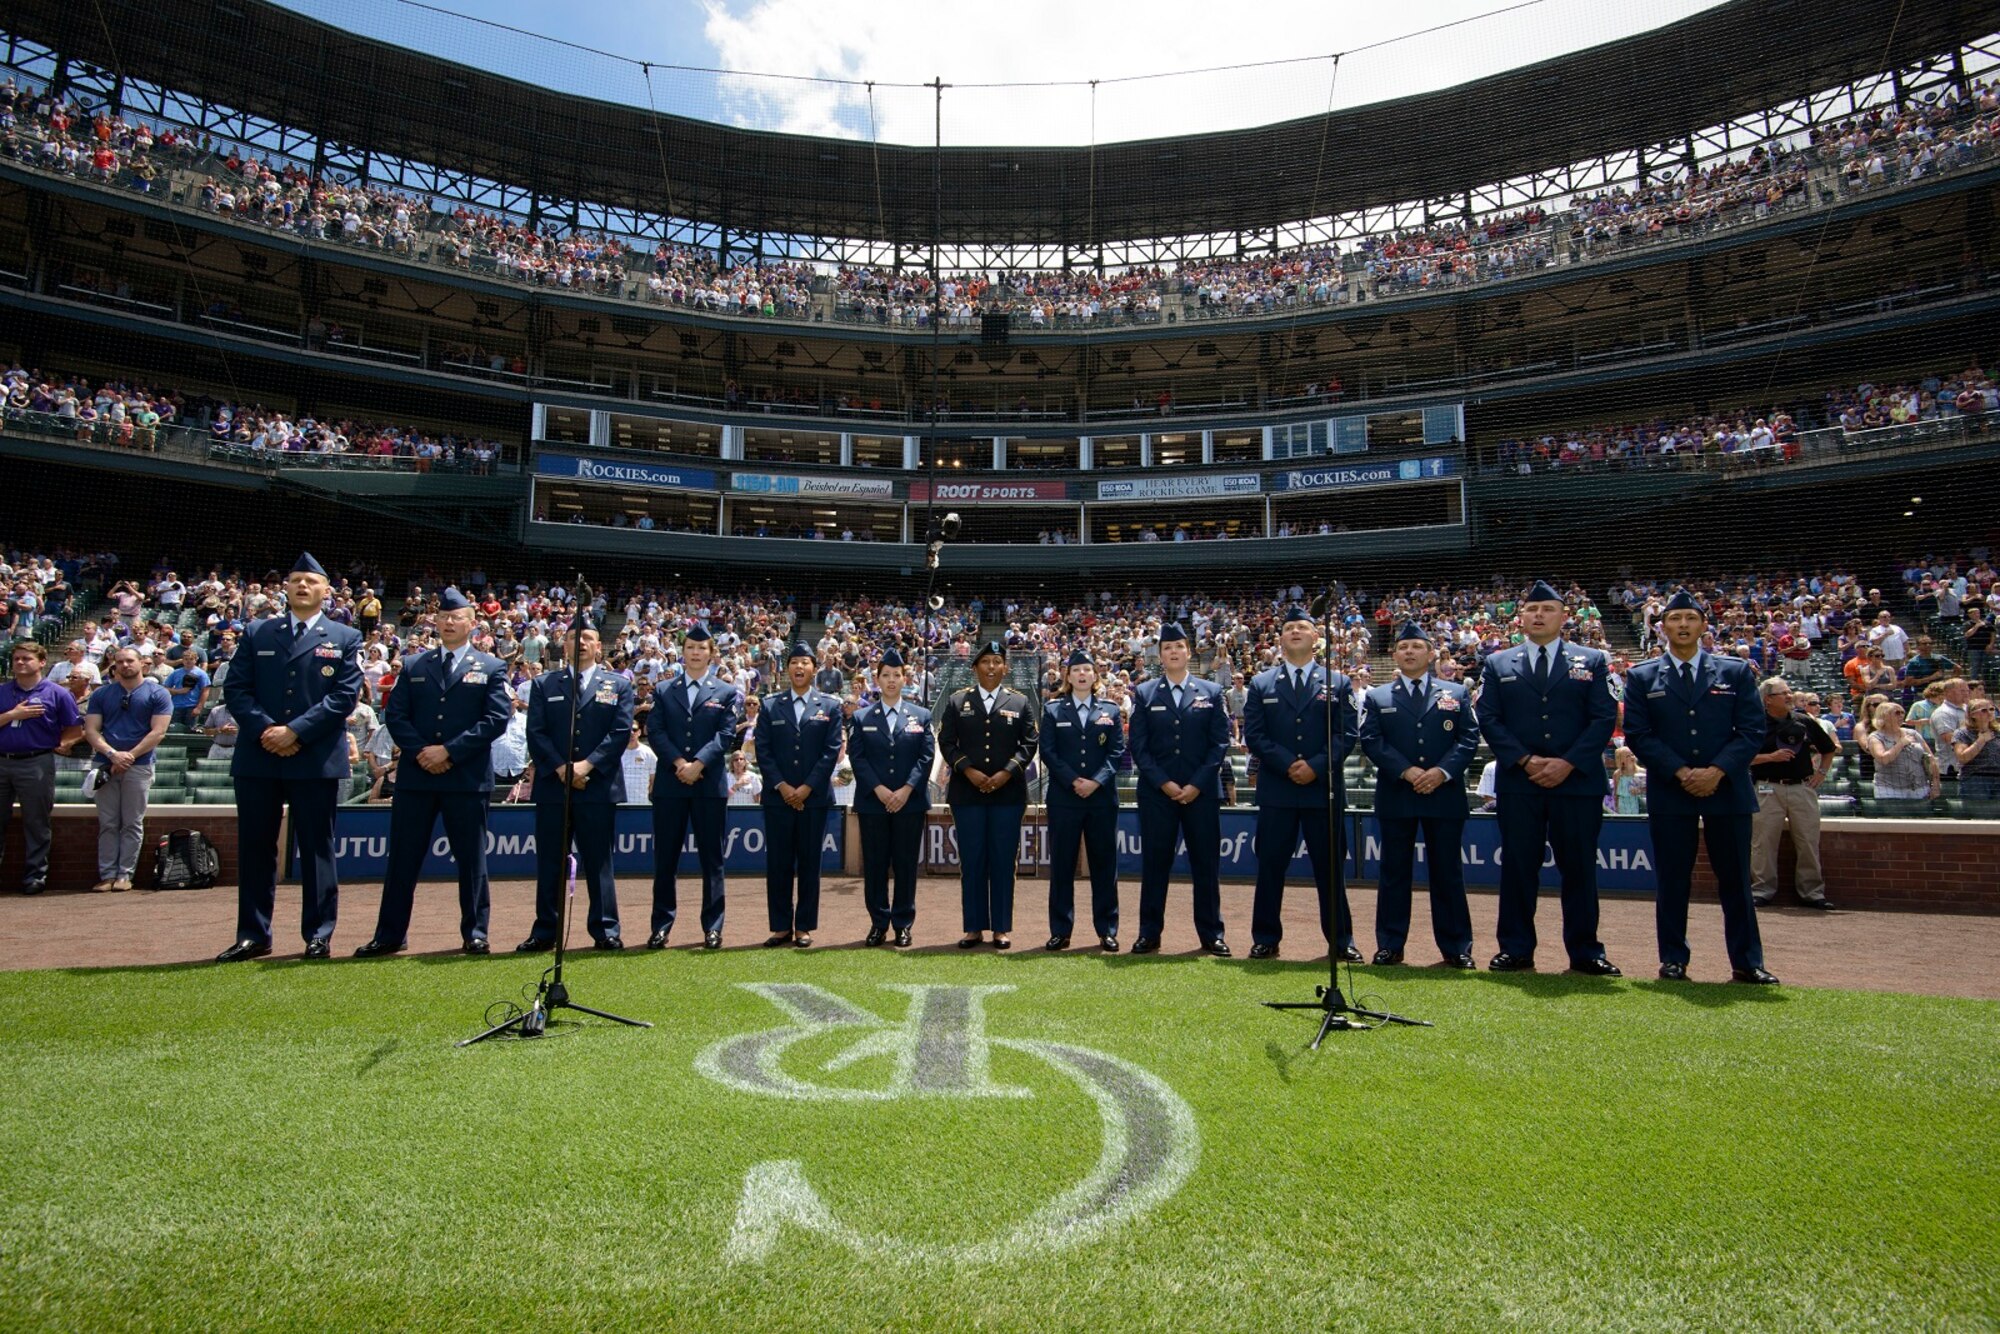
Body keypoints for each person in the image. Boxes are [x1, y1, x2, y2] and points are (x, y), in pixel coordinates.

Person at [1621, 592, 1777, 984]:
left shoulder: (1735, 671)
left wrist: (1716, 771)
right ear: (1663, 626)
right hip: (1671, 790)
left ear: (1704, 626)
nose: (1684, 625)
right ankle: (1673, 958)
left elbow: (1752, 731)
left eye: (1691, 618)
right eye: (1675, 619)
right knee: (1673, 879)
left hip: (1727, 788)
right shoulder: (1642, 676)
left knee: (1736, 880)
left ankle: (1747, 961)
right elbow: (1639, 734)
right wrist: (1682, 772)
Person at [216, 554, 363, 961]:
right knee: (256, 847)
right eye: (295, 580)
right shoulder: (258, 632)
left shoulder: (345, 637)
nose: (302, 586)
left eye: (310, 581)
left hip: (314, 757)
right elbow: (237, 690)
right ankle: (253, 934)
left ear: (325, 591)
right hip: (259, 755)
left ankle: (318, 935)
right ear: (286, 587)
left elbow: (343, 697)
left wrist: (295, 731)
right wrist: (269, 730)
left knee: (317, 849)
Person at [355, 588, 513, 957]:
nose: (448, 622)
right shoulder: (413, 665)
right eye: (443, 616)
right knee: (403, 859)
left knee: (472, 860)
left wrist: (449, 751)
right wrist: (422, 751)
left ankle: (475, 932)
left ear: (473, 624)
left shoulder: (491, 667)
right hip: (417, 776)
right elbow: (396, 716)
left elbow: (495, 719)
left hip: (466, 778)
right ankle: (389, 934)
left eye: (457, 617)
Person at [1474, 579, 1621, 975]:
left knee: (1579, 869)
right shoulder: (1498, 662)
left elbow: (1604, 717)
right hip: (1520, 782)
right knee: (1519, 867)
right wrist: (1524, 760)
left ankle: (1586, 951)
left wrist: (1567, 763)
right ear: (1520, 617)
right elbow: (1488, 716)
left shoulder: (1593, 660)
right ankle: (1516, 948)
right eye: (1531, 609)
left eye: (1548, 609)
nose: (1539, 615)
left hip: (1576, 782)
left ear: (1564, 616)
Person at [1358, 620, 1479, 968]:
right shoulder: (1379, 696)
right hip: (1398, 793)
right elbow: (1371, 740)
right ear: (1395, 654)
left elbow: (1468, 738)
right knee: (1394, 873)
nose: (1409, 651)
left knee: (1447, 873)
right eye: (1403, 647)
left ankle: (1457, 947)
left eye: (1416, 646)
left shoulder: (1454, 693)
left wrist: (1441, 772)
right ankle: (1390, 944)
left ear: (1430, 653)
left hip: (1444, 793)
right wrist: (1406, 770)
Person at [1244, 605, 1360, 962]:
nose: (1295, 631)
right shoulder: (1262, 683)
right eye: (1289, 627)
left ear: (1316, 638)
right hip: (1277, 791)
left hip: (1321, 791)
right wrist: (1288, 765)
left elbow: (1347, 734)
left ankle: (1341, 941)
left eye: (1302, 626)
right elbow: (1255, 735)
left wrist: (1315, 766)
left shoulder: (1338, 682)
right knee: (1270, 868)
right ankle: (1265, 937)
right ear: (1280, 639)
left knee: (1330, 870)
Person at [520, 622, 633, 951]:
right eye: (573, 638)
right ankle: (545, 931)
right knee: (550, 861)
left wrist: (586, 765)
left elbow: (619, 732)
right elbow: (536, 733)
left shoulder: (619, 685)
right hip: (554, 787)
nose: (580, 643)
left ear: (599, 645)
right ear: (563, 644)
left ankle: (605, 929)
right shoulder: (544, 684)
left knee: (599, 862)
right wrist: (560, 767)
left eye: (587, 638)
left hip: (598, 786)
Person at [1127, 623, 1231, 956]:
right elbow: (1139, 747)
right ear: (1160, 655)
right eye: (1167, 648)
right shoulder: (1144, 693)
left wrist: (1197, 784)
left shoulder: (1211, 692)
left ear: (1189, 652)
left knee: (1206, 866)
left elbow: (1219, 744)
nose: (1173, 652)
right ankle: (1149, 933)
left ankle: (1212, 934)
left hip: (1202, 794)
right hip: (1158, 795)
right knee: (1155, 865)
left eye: (1179, 647)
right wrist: (1166, 784)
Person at [646, 622, 743, 950]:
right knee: (665, 860)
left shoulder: (727, 692)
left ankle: (713, 927)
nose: (696, 653)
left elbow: (726, 736)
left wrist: (698, 765)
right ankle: (661, 925)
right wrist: (680, 765)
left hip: (708, 785)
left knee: (712, 860)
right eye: (690, 647)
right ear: (682, 652)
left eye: (702, 648)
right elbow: (655, 732)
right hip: (670, 785)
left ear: (711, 653)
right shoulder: (663, 690)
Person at [937, 641, 1037, 949]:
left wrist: (1007, 771)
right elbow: (947, 743)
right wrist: (968, 770)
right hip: (967, 795)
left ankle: (1001, 928)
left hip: (1008, 795)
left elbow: (1029, 743)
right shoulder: (956, 702)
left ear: (1006, 668)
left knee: (1004, 862)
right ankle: (973, 927)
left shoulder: (1020, 703)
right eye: (985, 662)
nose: (991, 667)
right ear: (974, 668)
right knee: (973, 861)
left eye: (997, 662)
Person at [755, 643, 844, 948]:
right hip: (777, 797)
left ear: (813, 668)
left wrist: (806, 788)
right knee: (778, 863)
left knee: (809, 864)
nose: (799, 668)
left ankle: (804, 926)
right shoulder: (769, 706)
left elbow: (830, 751)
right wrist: (782, 786)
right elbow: (763, 752)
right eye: (794, 662)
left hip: (814, 798)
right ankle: (780, 926)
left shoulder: (830, 706)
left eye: (805, 662)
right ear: (787, 668)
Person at [1038, 648, 1125, 952]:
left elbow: (1116, 753)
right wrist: (1074, 781)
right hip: (1065, 799)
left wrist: (1096, 781)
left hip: (1101, 800)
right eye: (1076, 670)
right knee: (1062, 866)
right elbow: (1048, 752)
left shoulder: (1111, 710)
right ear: (1068, 676)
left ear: (1095, 675)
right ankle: (1061, 930)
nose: (1082, 674)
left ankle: (1107, 929)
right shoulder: (1052, 710)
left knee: (1104, 865)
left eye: (1087, 669)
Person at [847, 647, 933, 948]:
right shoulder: (860, 717)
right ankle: (878, 923)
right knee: (875, 865)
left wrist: (907, 789)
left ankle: (903, 924)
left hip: (909, 803)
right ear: (877, 679)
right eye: (886, 675)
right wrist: (880, 790)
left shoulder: (921, 715)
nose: (892, 680)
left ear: (905, 678)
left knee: (907, 865)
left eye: (897, 675)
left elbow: (926, 757)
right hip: (874, 803)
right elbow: (856, 758)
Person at [82, 647, 173, 892]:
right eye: (120, 661)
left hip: (139, 765)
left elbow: (158, 732)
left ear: (142, 663)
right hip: (105, 764)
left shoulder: (158, 693)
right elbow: (91, 730)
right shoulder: (102, 694)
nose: (125, 665)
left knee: (132, 822)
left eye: (129, 660)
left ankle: (124, 875)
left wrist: (129, 756)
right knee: (108, 822)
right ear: (114, 665)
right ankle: (107, 874)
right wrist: (113, 754)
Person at [1, 640, 85, 894]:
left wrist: (64, 744)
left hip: (36, 761)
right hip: (1, 760)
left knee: (36, 821)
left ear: (41, 662)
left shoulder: (57, 693)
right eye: (17, 658)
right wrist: (12, 715)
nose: (20, 662)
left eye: (26, 658)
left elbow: (74, 728)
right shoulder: (3, 691)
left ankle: (35, 876)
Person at [1749, 678, 1837, 909]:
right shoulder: (1754, 723)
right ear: (1767, 699)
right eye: (1783, 693)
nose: (1790, 696)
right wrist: (1770, 757)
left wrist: (1822, 773)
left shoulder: (1804, 721)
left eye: (1790, 692)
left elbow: (1829, 750)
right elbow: (1740, 756)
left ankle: (1812, 893)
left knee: (1808, 841)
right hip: (1767, 787)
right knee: (1763, 841)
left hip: (1801, 788)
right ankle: (1761, 890)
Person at [1863, 700, 1939, 802]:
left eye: (1902, 712)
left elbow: (1931, 760)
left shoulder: (1913, 733)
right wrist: (1901, 743)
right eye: (1897, 713)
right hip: (1889, 789)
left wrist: (1936, 784)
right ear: (1884, 716)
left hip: (1919, 788)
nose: (1901, 716)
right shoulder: (1876, 737)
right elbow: (1883, 759)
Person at [1951, 700, 2000, 800]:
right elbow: (1963, 758)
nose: (1989, 712)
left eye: (1991, 709)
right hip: (1976, 780)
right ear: (1973, 715)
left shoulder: (1997, 731)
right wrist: (1981, 740)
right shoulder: (1962, 733)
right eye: (1984, 710)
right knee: (1979, 814)